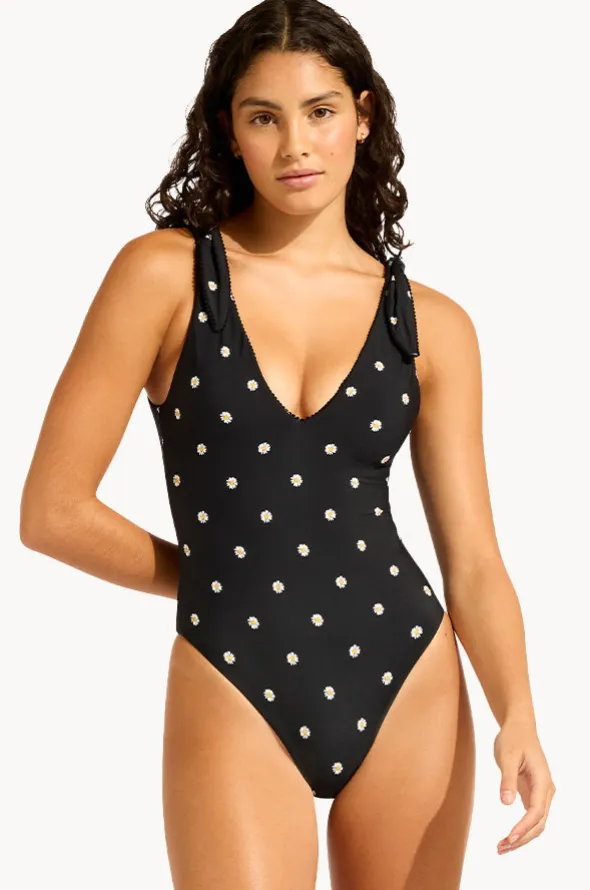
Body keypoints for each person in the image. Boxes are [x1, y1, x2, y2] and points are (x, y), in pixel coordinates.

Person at [20, 1, 556, 887]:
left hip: (407, 672)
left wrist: (520, 713)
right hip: (232, 671)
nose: (295, 146)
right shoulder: (164, 276)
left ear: (363, 117)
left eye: (320, 111)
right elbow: (52, 512)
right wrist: (220, 578)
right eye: (263, 117)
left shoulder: (433, 326)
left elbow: (473, 563)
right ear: (229, 132)